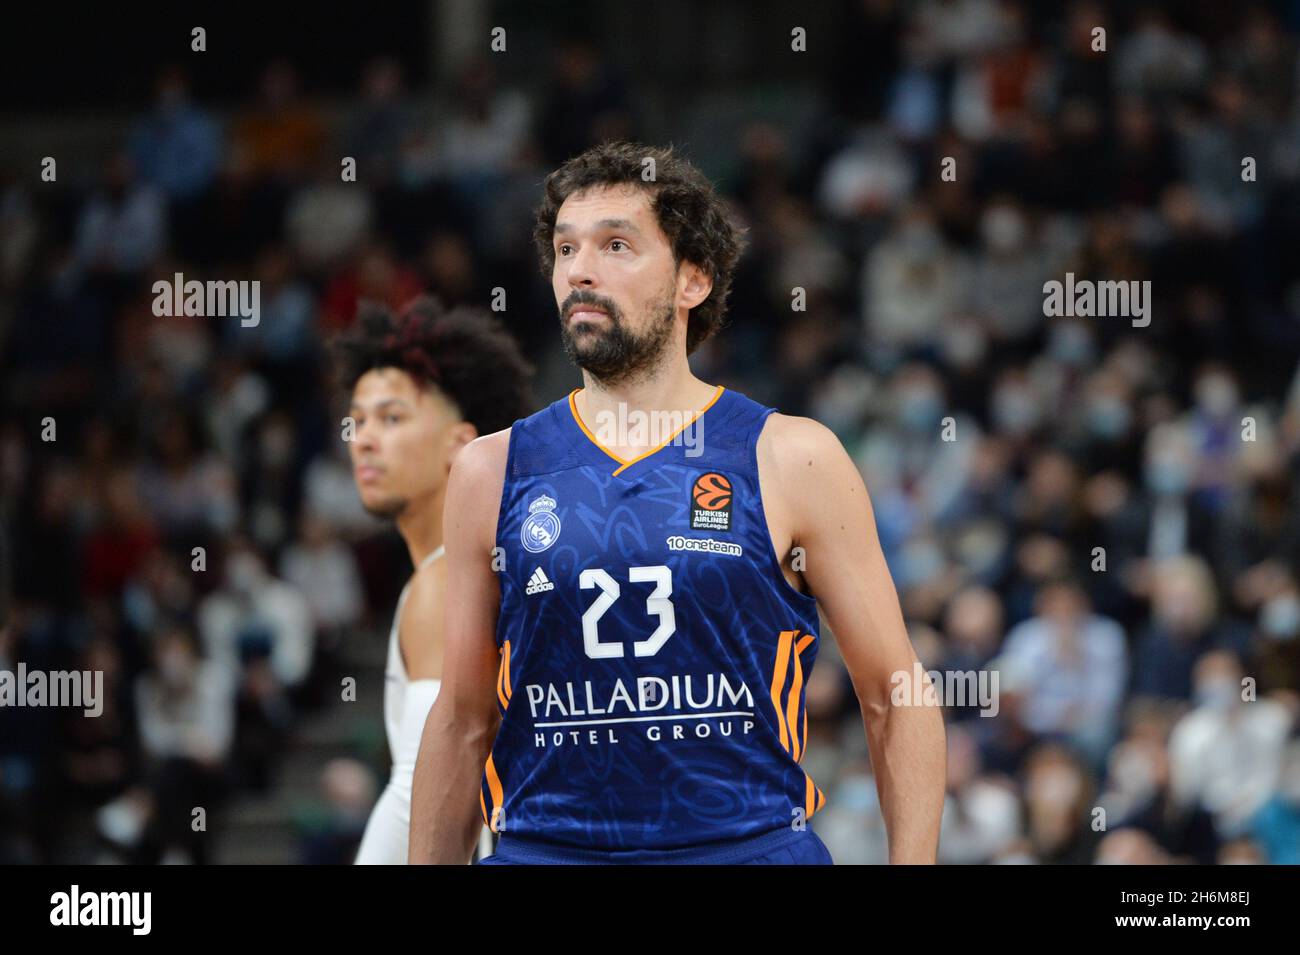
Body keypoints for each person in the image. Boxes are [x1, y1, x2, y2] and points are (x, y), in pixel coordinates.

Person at [409, 141, 946, 865]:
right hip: (547, 849)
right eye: (566, 250)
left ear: (692, 279)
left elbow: (894, 692)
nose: (580, 270)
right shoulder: (490, 469)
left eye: (616, 245)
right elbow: (463, 720)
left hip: (743, 848)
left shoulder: (791, 455)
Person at [333, 296, 532, 863]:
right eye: (359, 419)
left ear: (460, 445)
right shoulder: (470, 570)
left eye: (392, 418)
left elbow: (418, 783)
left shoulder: (444, 582)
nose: (364, 438)